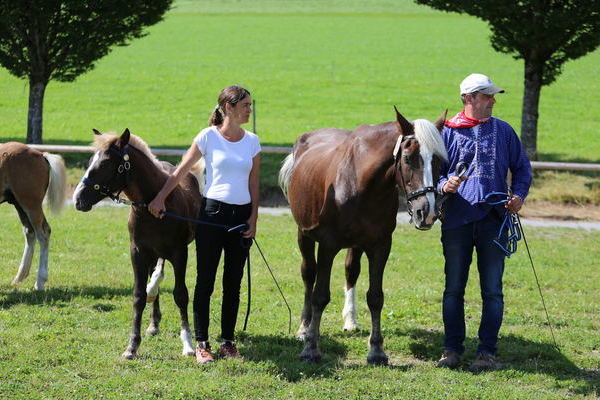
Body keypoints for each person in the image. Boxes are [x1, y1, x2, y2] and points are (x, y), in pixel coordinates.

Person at [148, 85, 261, 364]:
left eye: (250, 104)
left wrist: (254, 217)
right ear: (229, 108)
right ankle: (202, 343)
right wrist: (160, 197)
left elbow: (254, 183)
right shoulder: (208, 137)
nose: (250, 109)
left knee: (233, 283)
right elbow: (180, 171)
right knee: (206, 282)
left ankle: (228, 342)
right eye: (245, 105)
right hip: (211, 216)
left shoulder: (253, 141)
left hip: (241, 218)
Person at [436, 73, 532, 372]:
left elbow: (522, 168)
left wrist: (518, 195)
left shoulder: (503, 131)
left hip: (495, 220)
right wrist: (444, 185)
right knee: (454, 288)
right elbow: (432, 174)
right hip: (456, 221)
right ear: (468, 99)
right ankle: (451, 349)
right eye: (487, 95)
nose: (493, 100)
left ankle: (486, 352)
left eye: (492, 96)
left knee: (492, 290)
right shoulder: (446, 134)